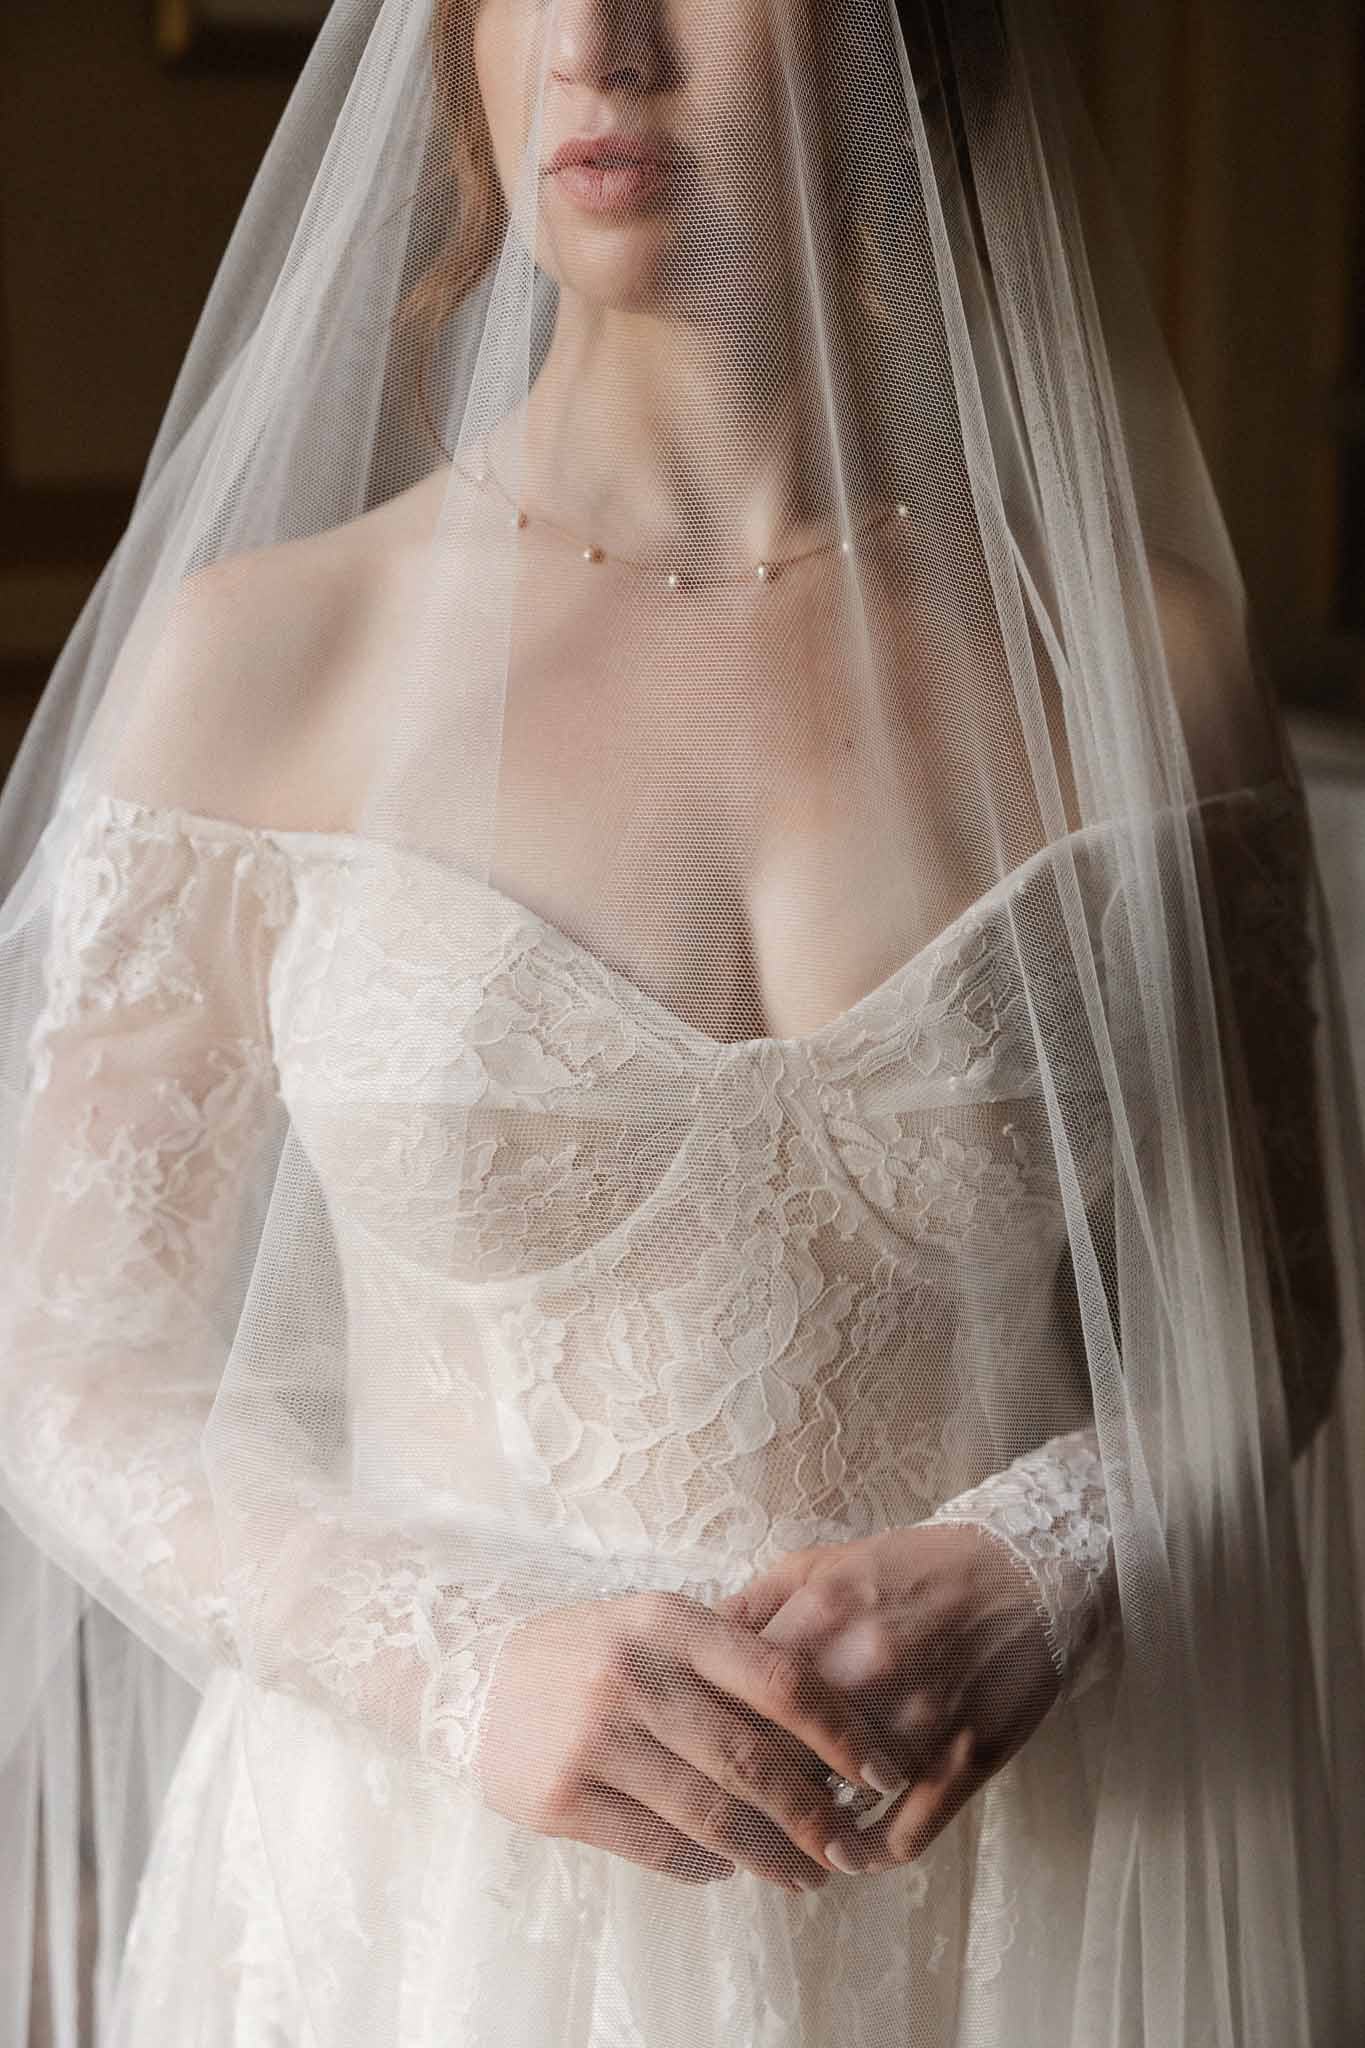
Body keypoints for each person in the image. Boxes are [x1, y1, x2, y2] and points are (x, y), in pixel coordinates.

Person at [2, 0, 1363, 2042]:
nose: (602, 47)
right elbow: (58, 1365)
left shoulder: (1136, 665)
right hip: (434, 1904)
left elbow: (1262, 1312)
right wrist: (461, 1661)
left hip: (1013, 1901)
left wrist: (1044, 1558)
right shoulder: (273, 658)